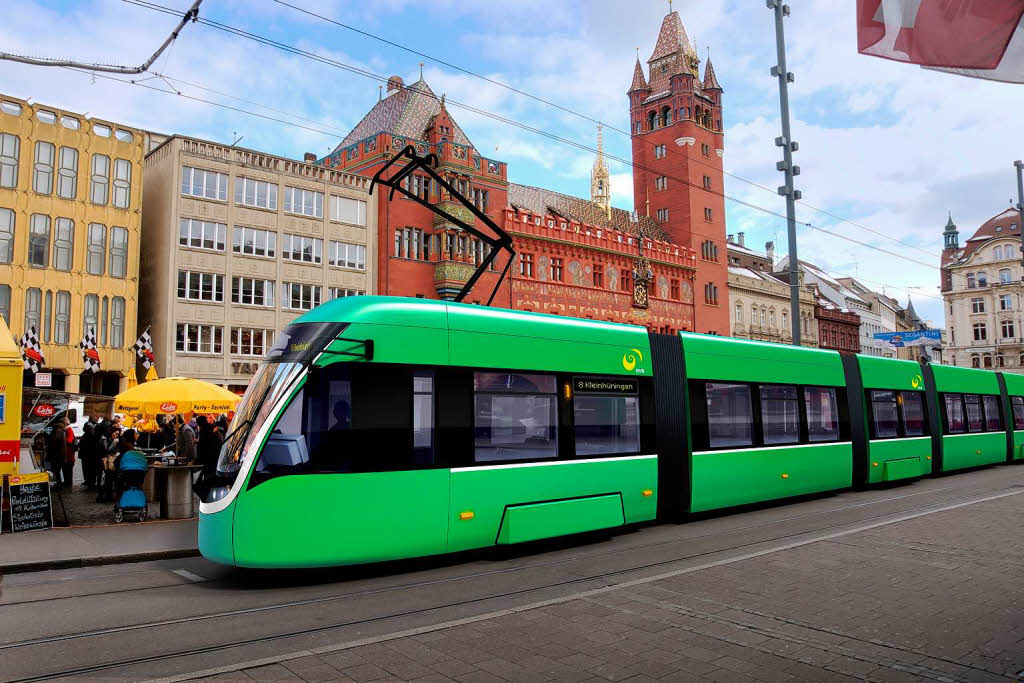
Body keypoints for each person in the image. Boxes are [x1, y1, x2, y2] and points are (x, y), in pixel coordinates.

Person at [46, 418, 69, 488]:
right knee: (58, 471)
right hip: (60, 454)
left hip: (56, 455)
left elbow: (54, 443)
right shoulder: (61, 430)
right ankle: (59, 484)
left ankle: (58, 485)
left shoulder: (57, 430)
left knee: (56, 471)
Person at [78, 420, 99, 490]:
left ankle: (90, 483)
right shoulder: (89, 436)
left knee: (89, 469)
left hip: (88, 455)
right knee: (89, 469)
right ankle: (90, 483)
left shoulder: (87, 436)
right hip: (88, 455)